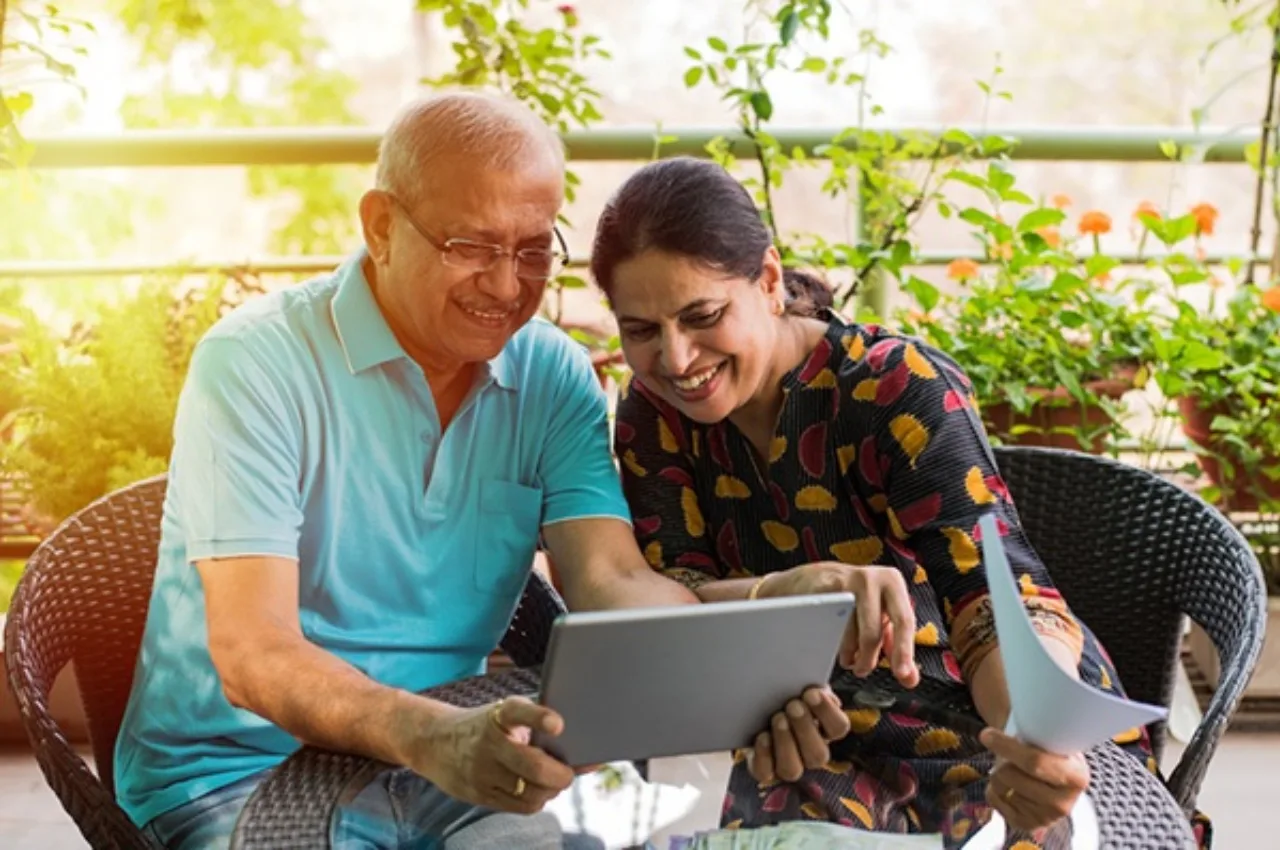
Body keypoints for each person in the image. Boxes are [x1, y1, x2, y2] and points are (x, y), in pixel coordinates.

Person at [112, 96, 848, 850]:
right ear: (380, 226)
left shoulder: (551, 375)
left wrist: (753, 670)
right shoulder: (256, 364)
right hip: (237, 771)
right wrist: (430, 736)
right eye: (471, 245)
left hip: (452, 766)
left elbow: (611, 584)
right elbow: (253, 653)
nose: (505, 287)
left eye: (533, 250)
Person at [590, 157, 1210, 850]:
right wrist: (775, 617)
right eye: (640, 330)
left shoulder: (893, 388)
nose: (675, 359)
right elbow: (676, 596)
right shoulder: (651, 413)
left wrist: (1032, 739)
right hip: (809, 736)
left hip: (979, 729)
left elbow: (993, 597)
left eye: (702, 316)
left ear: (767, 281)